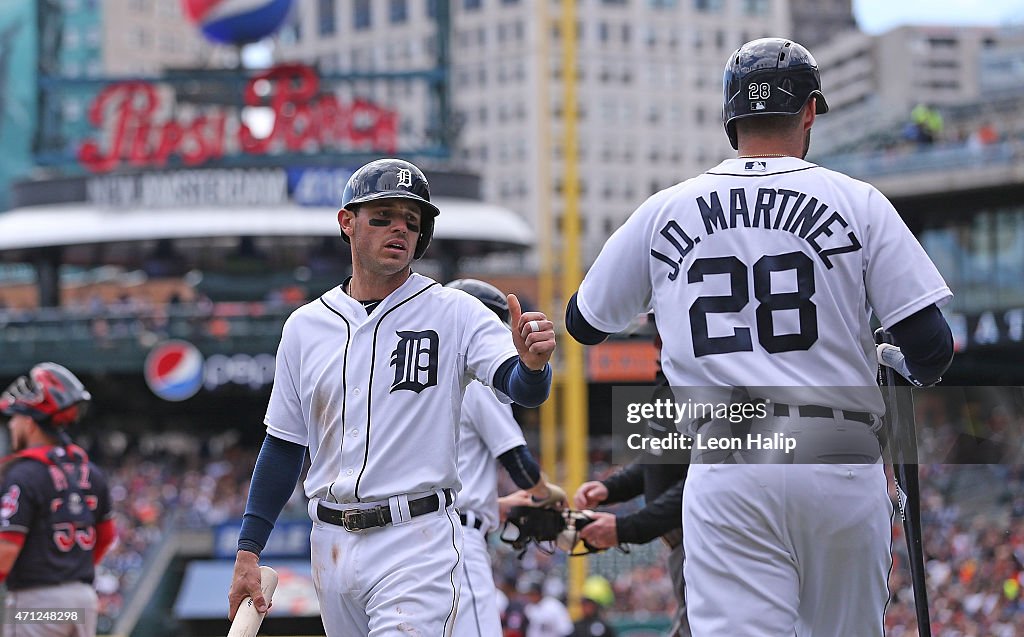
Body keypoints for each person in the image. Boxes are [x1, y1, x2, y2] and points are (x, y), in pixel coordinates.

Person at [565, 37, 954, 636]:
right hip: (838, 456)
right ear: (809, 112)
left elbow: (583, 323)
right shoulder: (858, 201)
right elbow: (930, 351)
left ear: (731, 118)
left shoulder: (665, 208)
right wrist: (884, 357)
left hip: (729, 463)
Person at [228, 158, 558, 636]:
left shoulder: (454, 311)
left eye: (411, 221)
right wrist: (249, 548)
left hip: (416, 538)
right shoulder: (304, 326)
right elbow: (282, 445)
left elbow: (520, 386)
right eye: (382, 217)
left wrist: (533, 364)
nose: (398, 229)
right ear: (348, 222)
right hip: (331, 544)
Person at [444, 278, 568, 637]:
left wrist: (502, 502)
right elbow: (516, 458)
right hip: (457, 543)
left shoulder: (428, 379)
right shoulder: (475, 377)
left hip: (421, 533)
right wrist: (546, 493)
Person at [574, 316, 690, 637]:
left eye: (660, 334)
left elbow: (699, 483)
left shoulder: (701, 384)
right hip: (685, 544)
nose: (654, 343)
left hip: (705, 540)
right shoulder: (673, 382)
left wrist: (625, 528)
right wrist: (608, 489)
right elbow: (658, 462)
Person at [0, 363, 117, 637]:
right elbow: (107, 536)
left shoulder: (25, 473)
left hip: (37, 599)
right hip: (83, 598)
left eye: (14, 419)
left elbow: (6, 551)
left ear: (29, 423)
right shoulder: (90, 471)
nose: (11, 425)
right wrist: (70, 569)